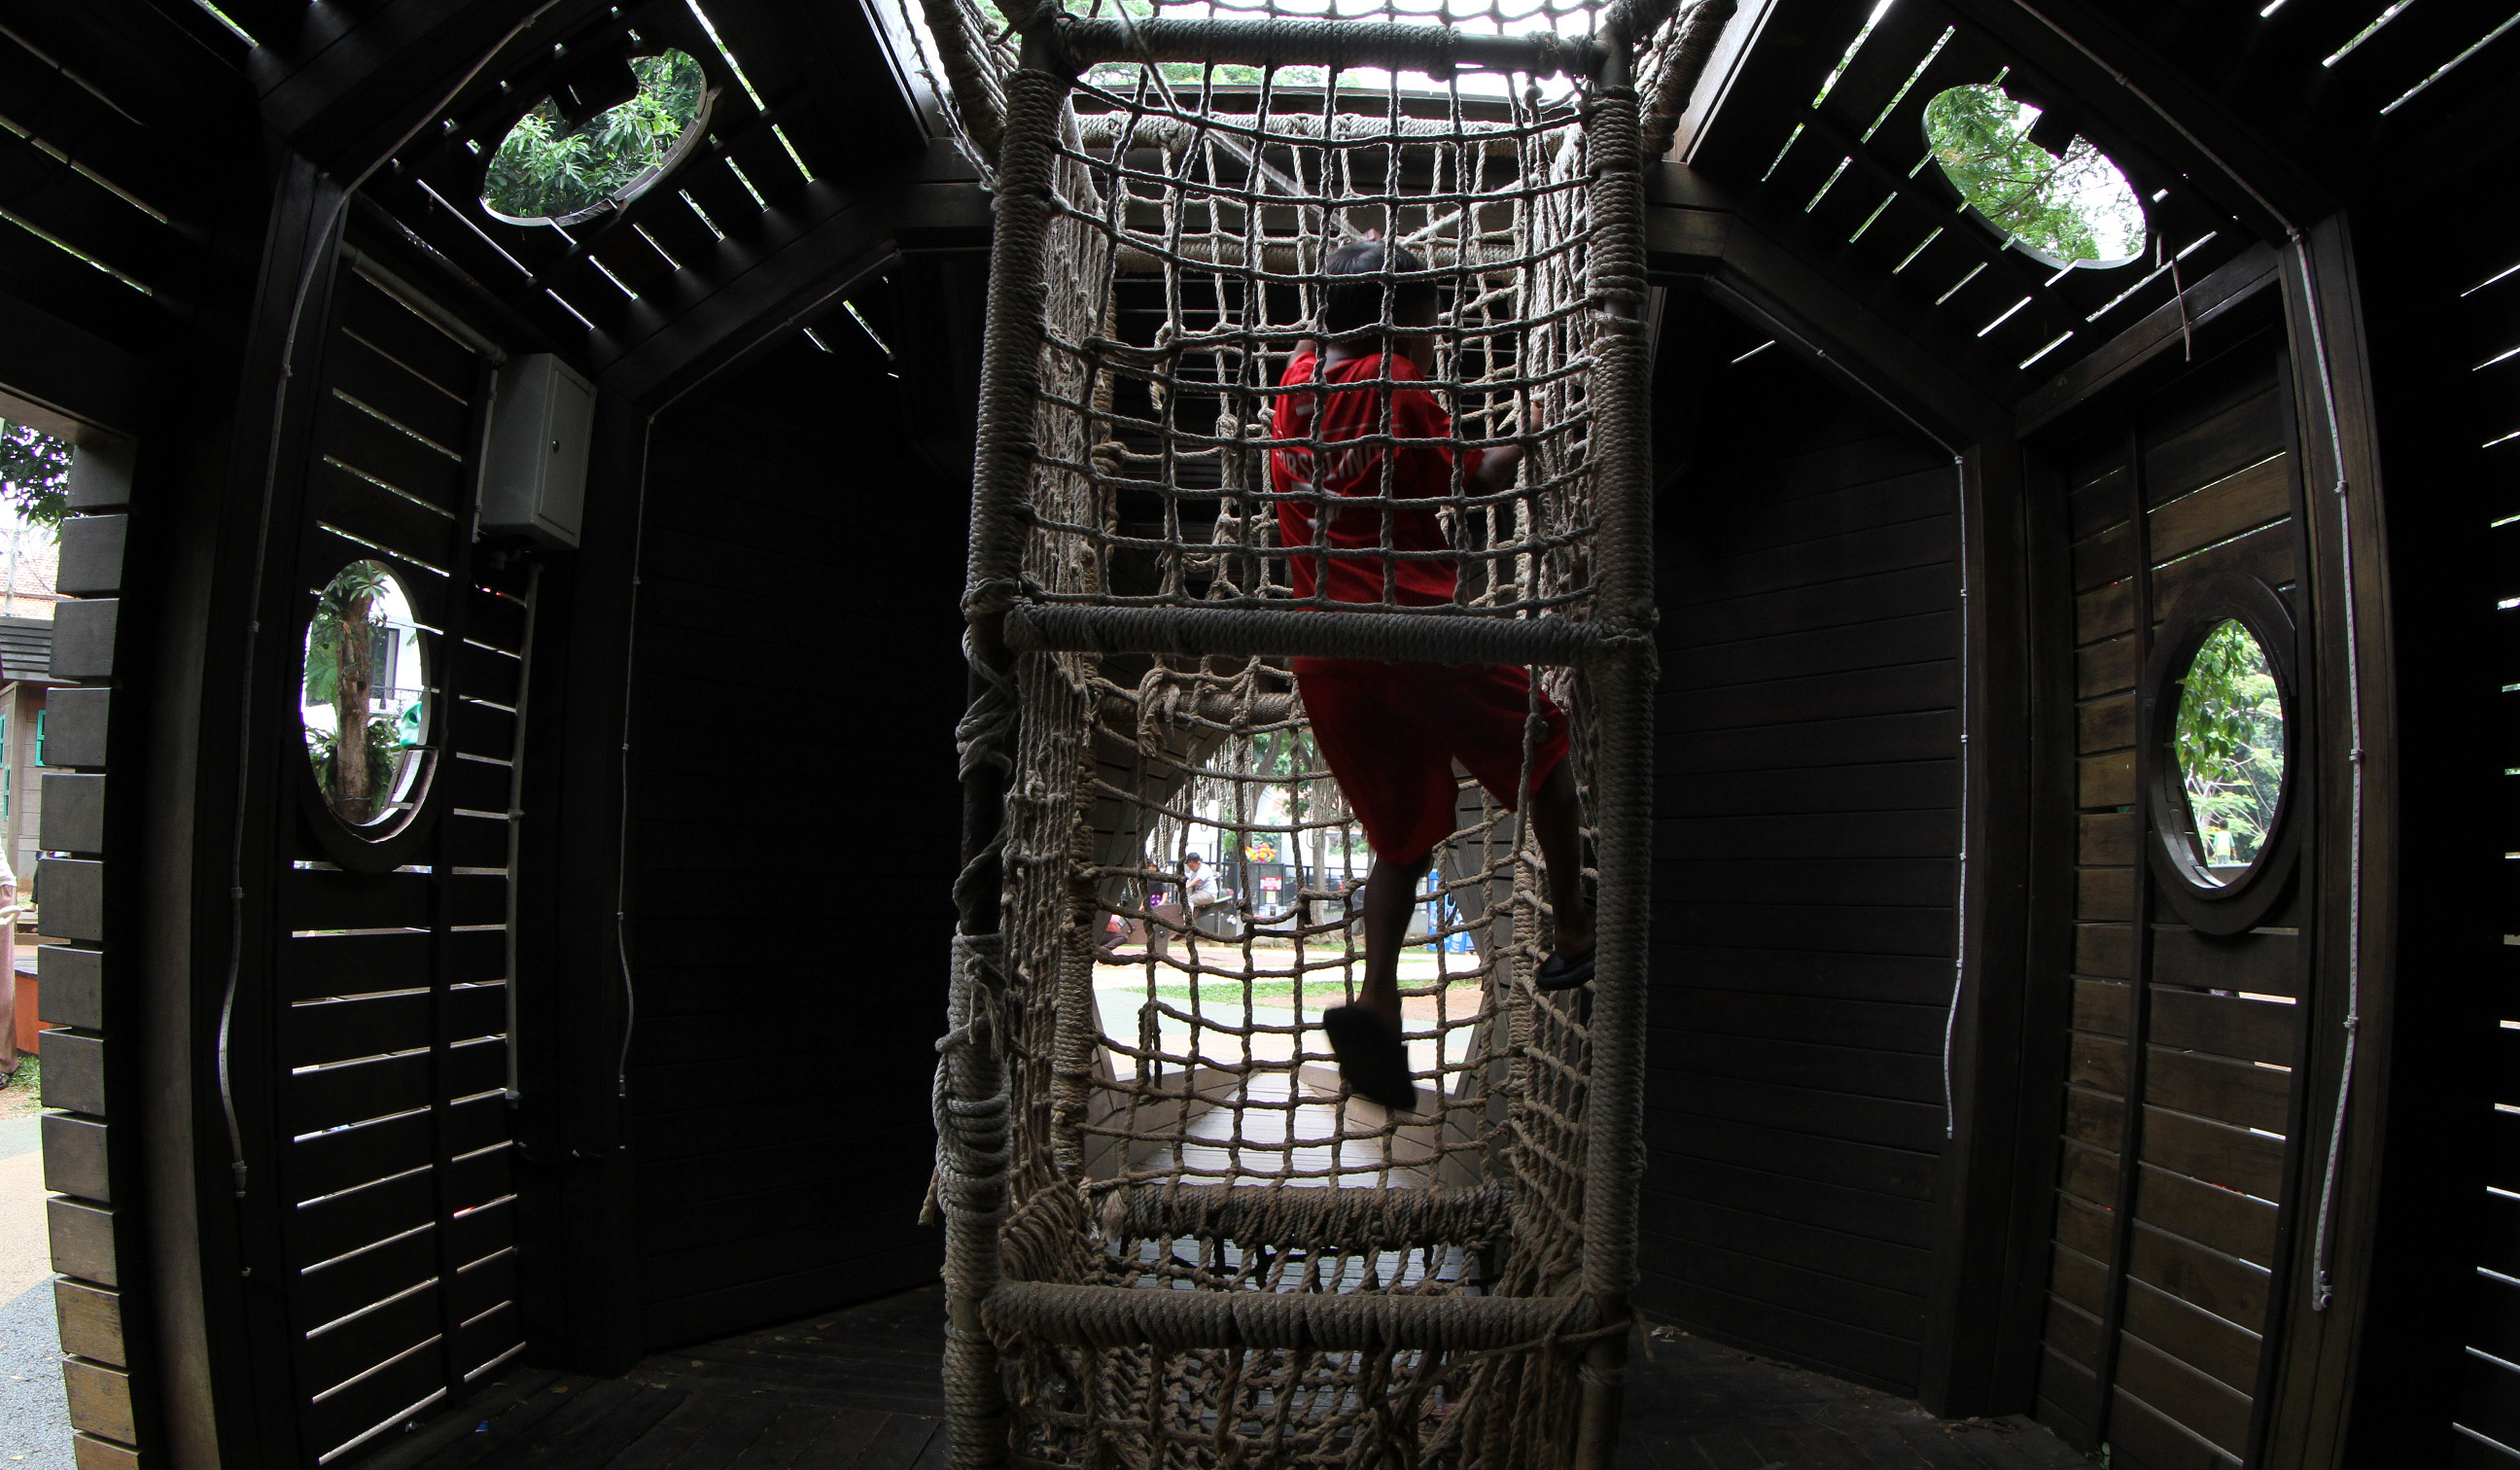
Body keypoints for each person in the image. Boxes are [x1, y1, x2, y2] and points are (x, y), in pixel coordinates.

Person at [1272, 237, 1595, 1115]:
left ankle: (1378, 997)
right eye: (1424, 313)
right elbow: (1480, 481)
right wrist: (1529, 427)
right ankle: (1572, 932)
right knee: (1548, 749)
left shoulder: (1289, 387)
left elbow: (1322, 352)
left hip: (1323, 654)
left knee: (1402, 840)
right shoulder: (1396, 384)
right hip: (1414, 630)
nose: (1432, 331)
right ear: (1393, 314)